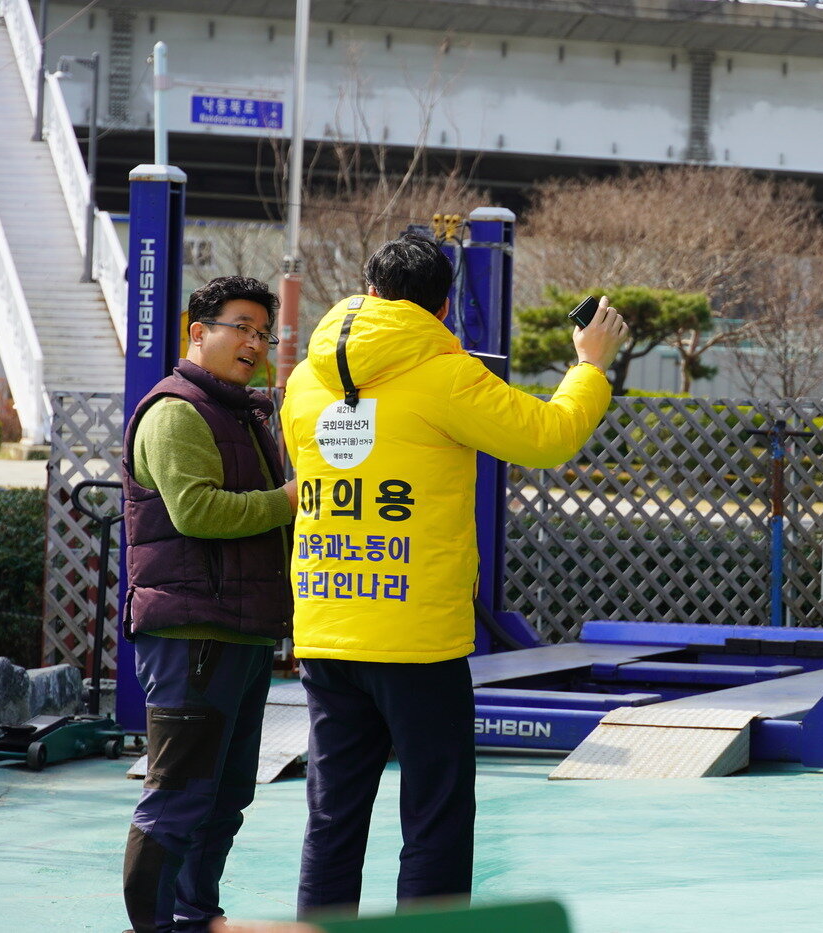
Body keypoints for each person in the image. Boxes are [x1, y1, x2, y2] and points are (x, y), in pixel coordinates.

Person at [280, 233, 629, 916]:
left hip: (325, 625)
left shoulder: (303, 381)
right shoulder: (446, 375)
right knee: (434, 815)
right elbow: (548, 435)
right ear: (443, 307)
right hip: (416, 634)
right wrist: (589, 365)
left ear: (369, 291)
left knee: (332, 815)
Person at [120, 276, 297, 933]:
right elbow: (195, 511)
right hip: (192, 633)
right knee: (178, 797)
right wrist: (289, 499)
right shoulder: (177, 411)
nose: (255, 343)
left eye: (264, 333)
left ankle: (194, 914)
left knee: (225, 797)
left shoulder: (239, 412)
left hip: (240, 632)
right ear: (199, 331)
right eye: (241, 327)